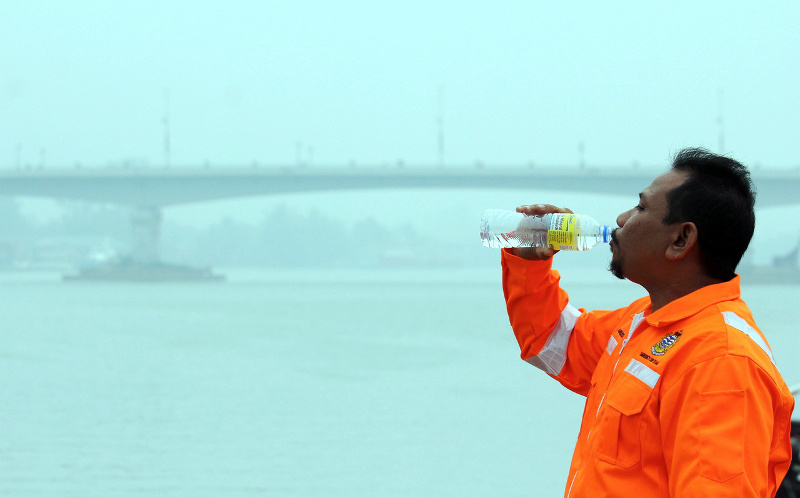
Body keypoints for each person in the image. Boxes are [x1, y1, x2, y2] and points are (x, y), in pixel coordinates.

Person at [501, 148, 794, 497]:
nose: (622, 218)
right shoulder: (644, 321)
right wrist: (529, 263)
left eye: (641, 208)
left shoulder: (721, 361)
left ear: (681, 239)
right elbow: (550, 342)